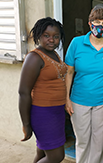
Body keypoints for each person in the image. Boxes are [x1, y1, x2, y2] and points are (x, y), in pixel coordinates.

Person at [65, 6, 103, 163]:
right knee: (83, 141)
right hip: (79, 101)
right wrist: (67, 98)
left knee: (99, 143)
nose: (100, 26)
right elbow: (69, 72)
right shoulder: (77, 43)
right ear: (89, 23)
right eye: (96, 21)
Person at [18, 17, 67, 163]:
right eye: (46, 35)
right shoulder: (34, 58)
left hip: (56, 112)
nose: (51, 40)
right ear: (38, 36)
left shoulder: (54, 54)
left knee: (42, 153)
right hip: (44, 113)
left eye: (56, 36)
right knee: (56, 156)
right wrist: (26, 124)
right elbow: (23, 92)